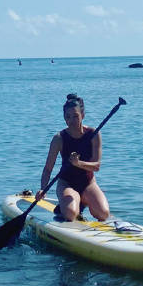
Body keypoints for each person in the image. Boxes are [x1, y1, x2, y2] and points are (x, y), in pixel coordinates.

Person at [39, 93, 111, 222]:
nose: (71, 121)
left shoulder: (94, 134)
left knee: (103, 214)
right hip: (67, 184)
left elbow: (96, 166)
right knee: (71, 214)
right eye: (68, 117)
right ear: (64, 118)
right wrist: (43, 189)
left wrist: (78, 163)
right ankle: (64, 207)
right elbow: (47, 169)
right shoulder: (58, 139)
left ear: (82, 116)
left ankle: (82, 201)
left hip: (88, 183)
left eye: (76, 116)